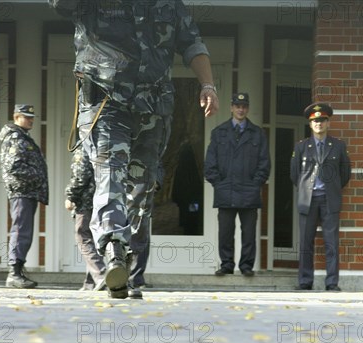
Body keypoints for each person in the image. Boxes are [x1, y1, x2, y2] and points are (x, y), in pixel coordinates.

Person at [49, 0, 219, 299]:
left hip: (153, 108)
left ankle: (123, 263)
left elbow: (192, 43)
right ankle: (113, 248)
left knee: (142, 187)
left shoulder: (168, 5)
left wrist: (208, 86)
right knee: (110, 173)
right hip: (106, 102)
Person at [204, 93, 271, 277]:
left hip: (249, 191)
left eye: (244, 106)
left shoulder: (257, 133)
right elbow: (209, 164)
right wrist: (219, 183)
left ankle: (246, 265)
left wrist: (256, 183)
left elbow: (264, 163)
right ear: (231, 108)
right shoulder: (219, 132)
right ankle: (226, 264)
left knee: (249, 233)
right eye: (237, 106)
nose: (241, 109)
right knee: (225, 233)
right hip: (226, 191)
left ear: (247, 108)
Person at [290, 103, 351, 291]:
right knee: (306, 243)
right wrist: (306, 189)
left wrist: (332, 188)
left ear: (328, 123)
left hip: (329, 199)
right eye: (315, 121)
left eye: (322, 120)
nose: (319, 124)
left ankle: (332, 283)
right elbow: (294, 174)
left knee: (331, 243)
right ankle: (305, 282)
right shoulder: (301, 147)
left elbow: (345, 173)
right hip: (308, 199)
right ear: (310, 124)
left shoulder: (338, 146)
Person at [0, 104, 49, 289]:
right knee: (21, 230)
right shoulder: (14, 138)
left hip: (27, 191)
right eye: (27, 117)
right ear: (16, 116)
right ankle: (14, 273)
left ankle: (18, 270)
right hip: (22, 191)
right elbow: (14, 167)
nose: (31, 120)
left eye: (32, 117)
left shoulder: (22, 137)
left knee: (24, 231)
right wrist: (37, 177)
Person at [65, 145, 106, 291]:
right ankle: (90, 283)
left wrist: (71, 196)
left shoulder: (84, 149)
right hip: (102, 200)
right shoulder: (103, 146)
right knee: (93, 239)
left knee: (83, 236)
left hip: (86, 202)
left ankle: (101, 275)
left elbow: (80, 176)